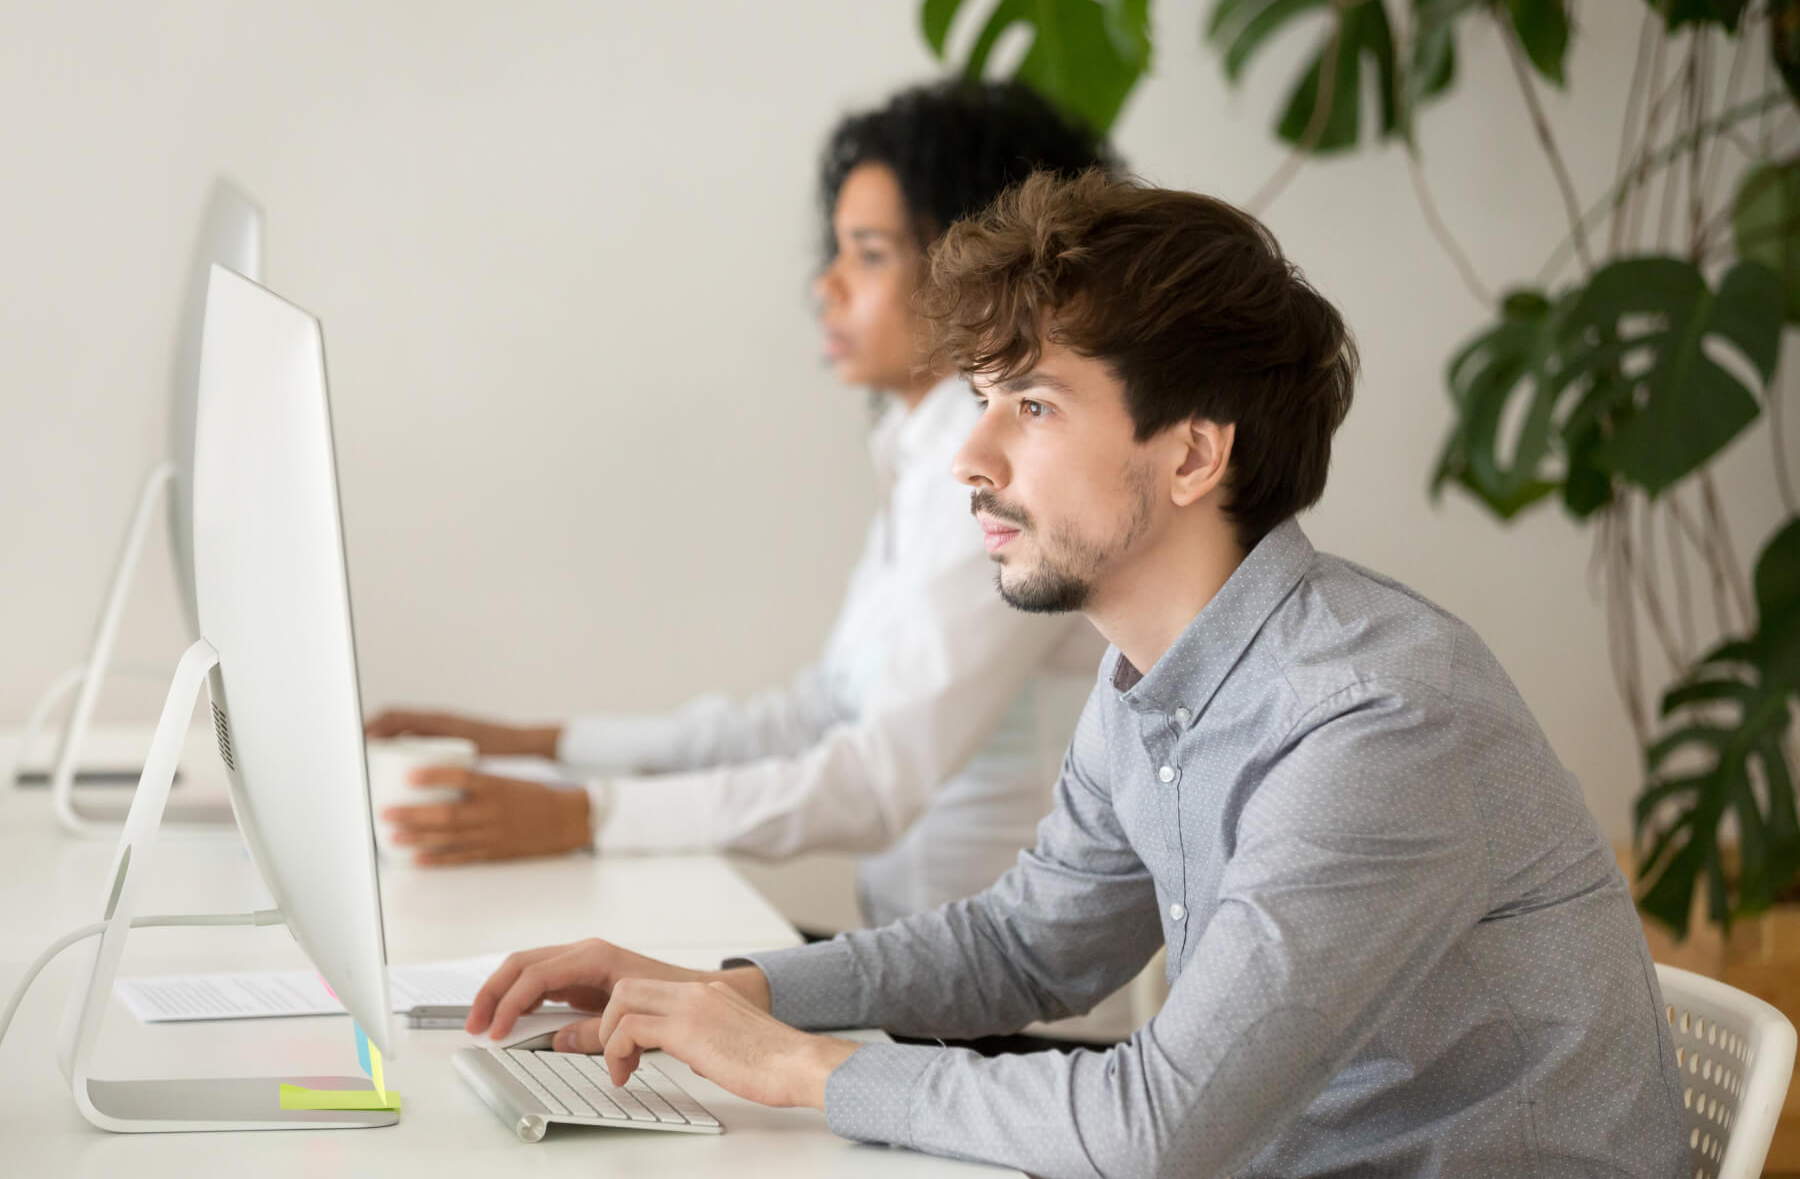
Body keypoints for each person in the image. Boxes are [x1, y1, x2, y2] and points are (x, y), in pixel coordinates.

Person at [461, 171, 1689, 1177]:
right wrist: (727, 990)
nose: (972, 457)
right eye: (983, 399)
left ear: (1194, 454)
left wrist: (798, 1067)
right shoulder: (1147, 678)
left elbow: (1161, 1130)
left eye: (1034, 407)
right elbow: (1027, 948)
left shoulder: (1377, 724)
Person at [369, 81, 1115, 937]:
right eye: (836, 251)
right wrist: (540, 747)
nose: (825, 286)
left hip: (999, 988)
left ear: (978, 271)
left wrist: (581, 814)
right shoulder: (920, 451)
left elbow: (876, 783)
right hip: (914, 953)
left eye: (869, 254)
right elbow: (819, 713)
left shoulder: (993, 473)